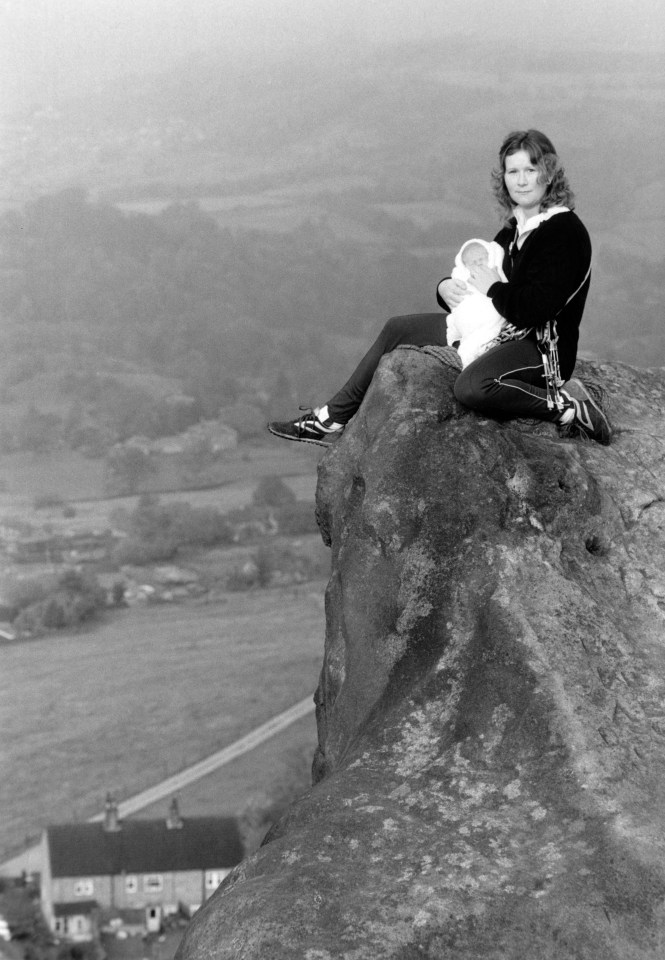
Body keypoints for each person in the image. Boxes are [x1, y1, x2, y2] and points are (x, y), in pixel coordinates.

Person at [267, 129, 611, 447]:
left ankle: (568, 408)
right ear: (503, 178)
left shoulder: (563, 232)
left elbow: (534, 308)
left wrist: (492, 287)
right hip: (496, 331)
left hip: (541, 351)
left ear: (548, 173)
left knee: (473, 387)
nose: (521, 181)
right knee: (399, 328)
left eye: (530, 170)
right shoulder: (517, 228)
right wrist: (445, 287)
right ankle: (330, 419)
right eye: (512, 171)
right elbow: (480, 283)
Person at [445, 238, 508, 367]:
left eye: (482, 259)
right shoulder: (507, 235)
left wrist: (495, 286)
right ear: (465, 265)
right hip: (466, 320)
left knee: (474, 347)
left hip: (493, 320)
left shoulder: (497, 269)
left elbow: (507, 290)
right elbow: (457, 303)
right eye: (473, 262)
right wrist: (443, 287)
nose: (479, 264)